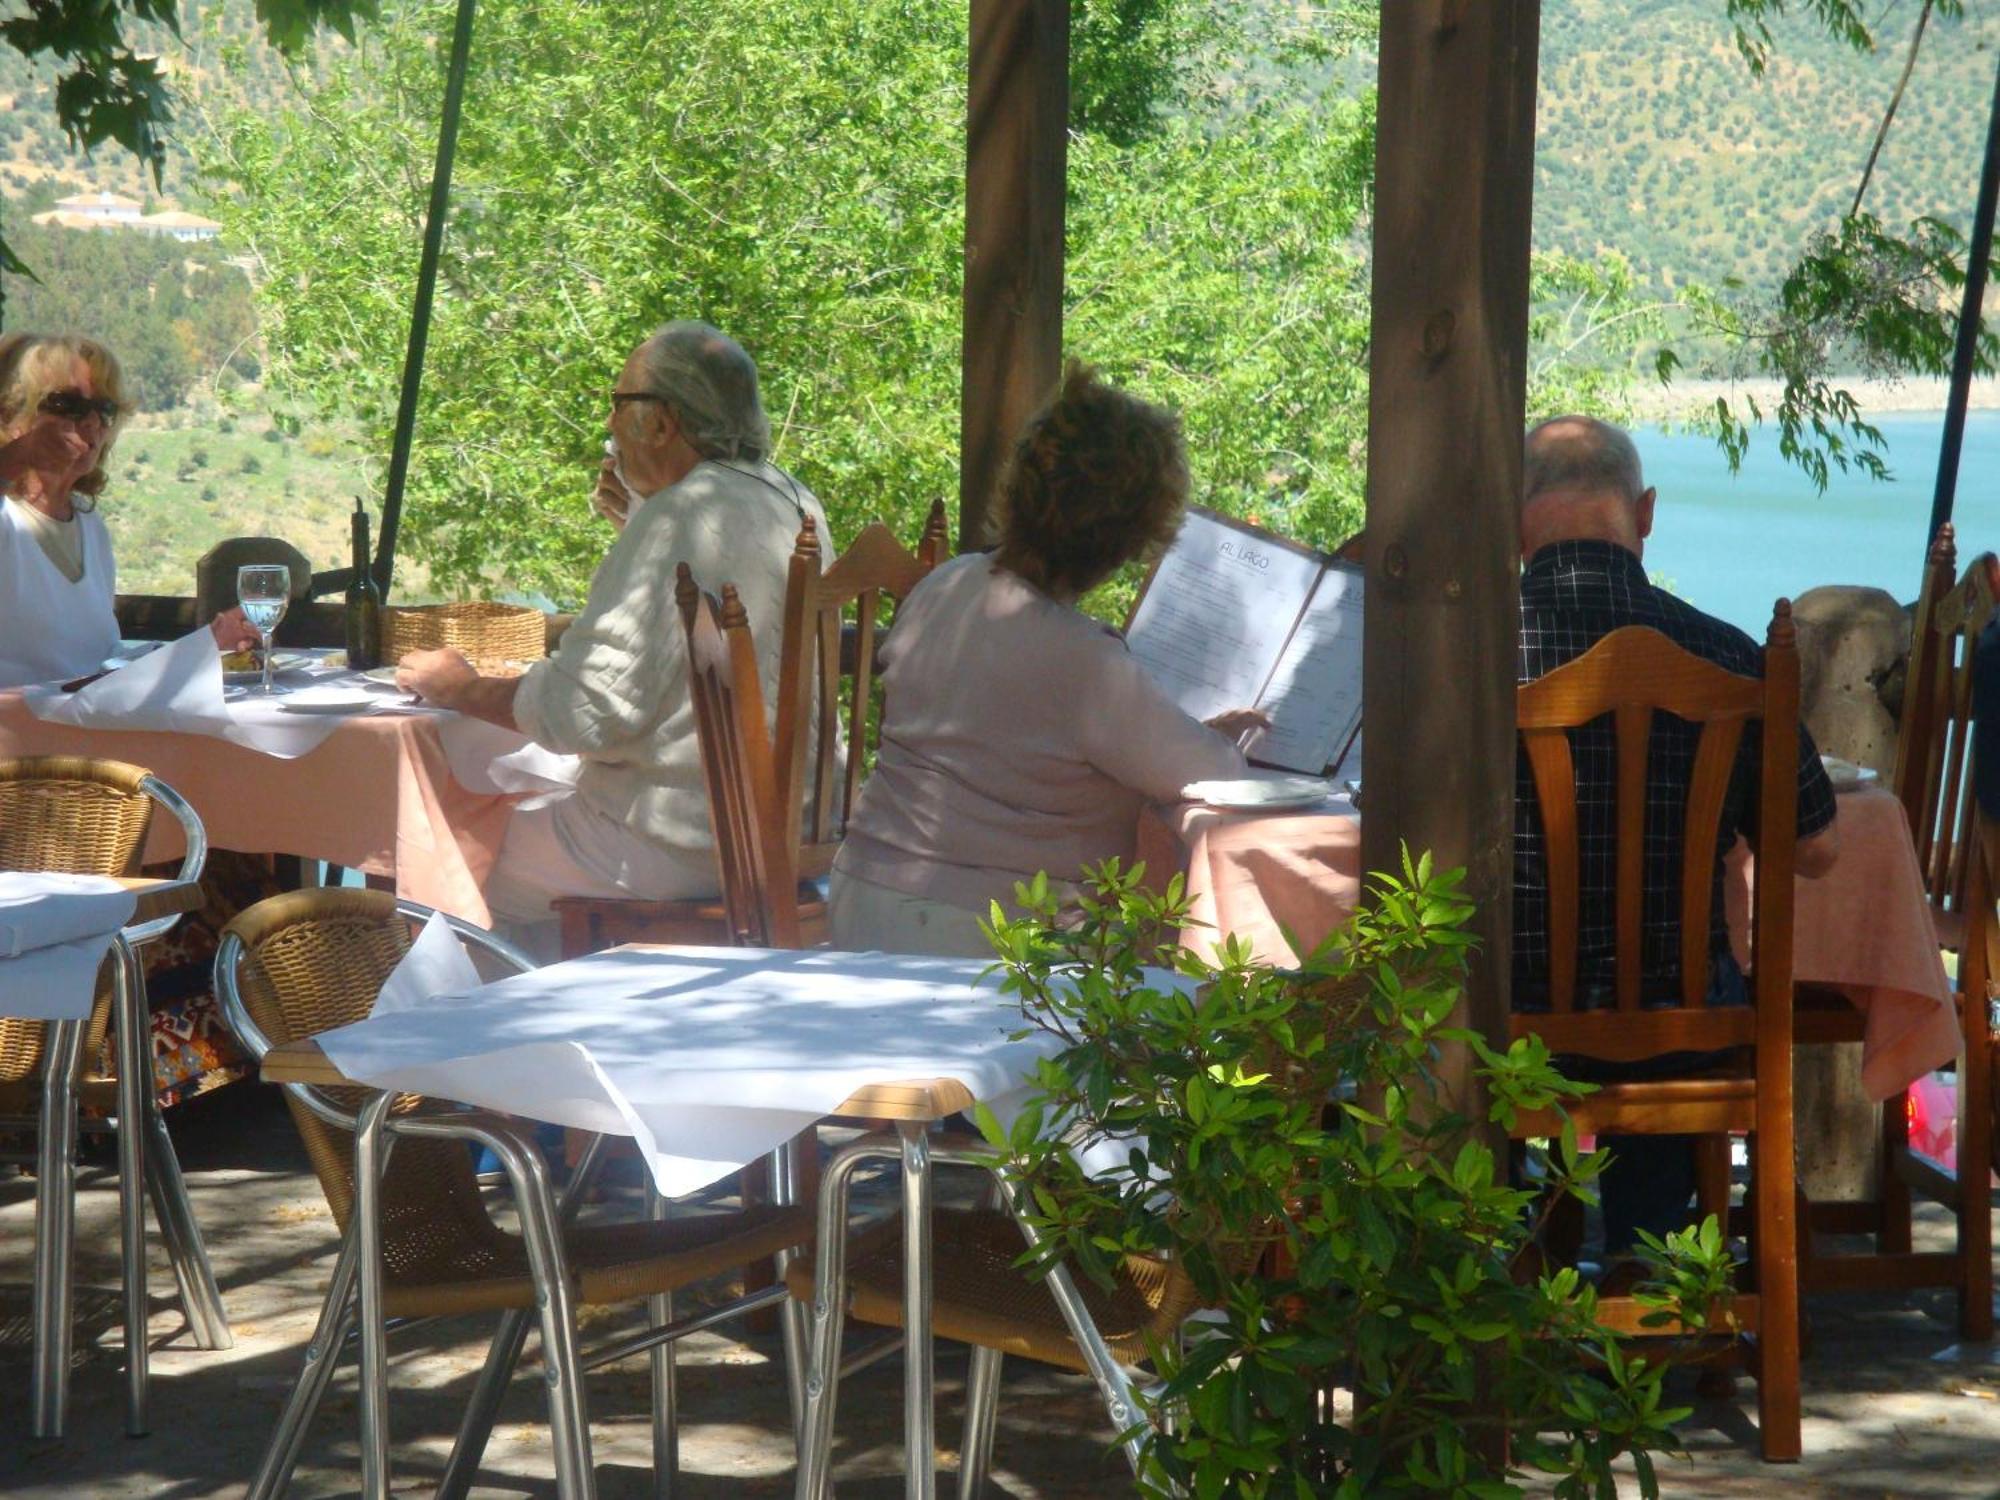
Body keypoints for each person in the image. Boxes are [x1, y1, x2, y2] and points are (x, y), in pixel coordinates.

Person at [1514, 414, 1840, 1269]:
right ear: (1645, 511)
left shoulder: (1470, 660)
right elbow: (1817, 849)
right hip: (1682, 1024)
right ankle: (1650, 1272)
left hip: (1502, 1035)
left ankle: (1499, 1266)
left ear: (1514, 520)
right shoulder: (1730, 658)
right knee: (1668, 981)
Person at [397, 321, 831, 950]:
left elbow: (584, 714)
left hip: (682, 842)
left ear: (660, 422)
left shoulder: (677, 517)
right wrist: (639, 519)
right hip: (786, 835)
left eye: (618, 403)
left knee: (438, 860)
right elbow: (707, 603)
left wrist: (460, 686)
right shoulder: (792, 499)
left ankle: (484, 1044)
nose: (608, 424)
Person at [828, 361, 1267, 959]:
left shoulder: (943, 587)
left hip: (861, 906)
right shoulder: (1086, 662)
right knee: (1180, 981)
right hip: (990, 944)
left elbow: (1010, 727)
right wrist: (1213, 739)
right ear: (1134, 537)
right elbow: (1216, 777)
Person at [0, 332, 253, 689]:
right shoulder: (7, 518)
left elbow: (100, 661)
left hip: (81, 732)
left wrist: (207, 645)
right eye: (67, 405)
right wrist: (17, 456)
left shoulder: (88, 526)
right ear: (11, 413)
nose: (90, 423)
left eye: (104, 409)